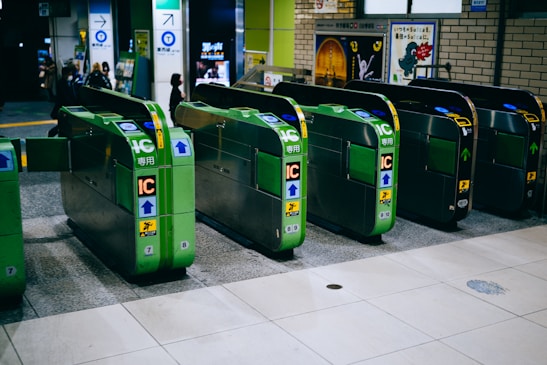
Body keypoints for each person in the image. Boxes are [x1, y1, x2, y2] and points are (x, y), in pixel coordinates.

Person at [48, 66, 78, 137]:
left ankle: (58, 135)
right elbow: (65, 97)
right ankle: (52, 133)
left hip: (65, 109)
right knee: (62, 125)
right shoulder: (61, 83)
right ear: (65, 74)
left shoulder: (69, 83)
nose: (71, 75)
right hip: (63, 109)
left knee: (63, 125)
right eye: (69, 74)